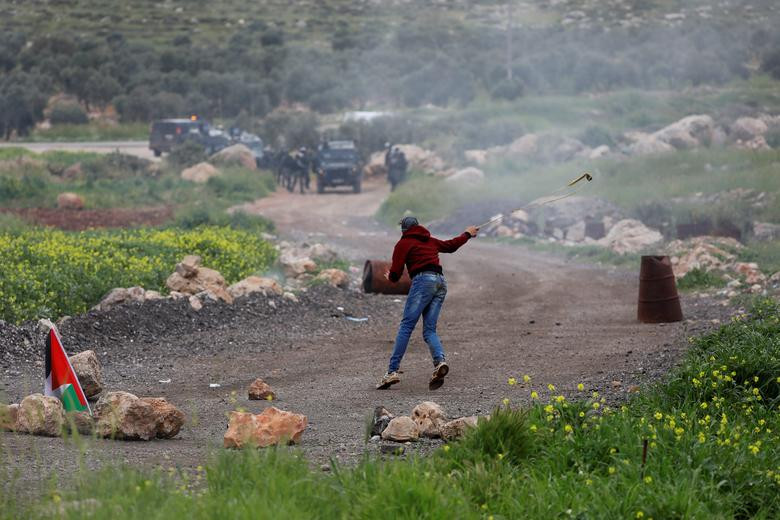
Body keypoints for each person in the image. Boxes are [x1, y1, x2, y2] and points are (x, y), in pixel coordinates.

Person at [377, 216, 479, 390]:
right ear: (418, 227)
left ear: (403, 230)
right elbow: (451, 246)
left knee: (406, 326)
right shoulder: (429, 240)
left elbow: (396, 272)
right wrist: (467, 234)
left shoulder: (403, 244)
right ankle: (440, 362)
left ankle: (392, 372)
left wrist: (390, 278)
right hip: (441, 283)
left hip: (423, 281)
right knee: (429, 330)